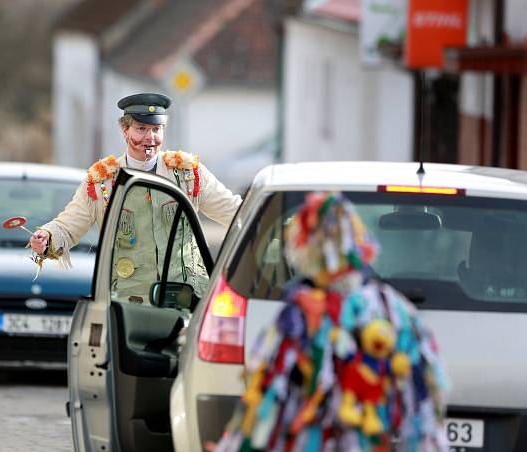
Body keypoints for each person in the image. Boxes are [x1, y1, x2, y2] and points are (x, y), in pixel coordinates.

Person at [212, 192, 449, 452]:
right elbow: (424, 401)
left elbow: (266, 399)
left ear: (305, 248)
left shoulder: (300, 316)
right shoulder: (398, 313)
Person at [29, 92, 242, 303]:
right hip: (128, 300)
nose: (149, 139)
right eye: (141, 129)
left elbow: (233, 212)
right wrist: (47, 237)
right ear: (125, 130)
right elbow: (68, 226)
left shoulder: (189, 174)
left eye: (156, 130)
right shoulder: (102, 180)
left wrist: (270, 222)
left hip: (186, 296)